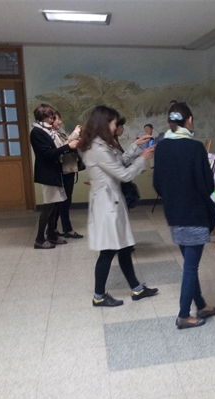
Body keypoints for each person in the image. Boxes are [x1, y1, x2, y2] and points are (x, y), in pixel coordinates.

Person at [78, 105, 158, 307]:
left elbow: (119, 161)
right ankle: (99, 296)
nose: (116, 127)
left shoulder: (101, 144)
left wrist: (136, 146)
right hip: (107, 205)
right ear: (105, 123)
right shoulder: (97, 149)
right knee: (108, 251)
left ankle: (137, 288)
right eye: (114, 123)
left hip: (111, 200)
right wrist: (142, 159)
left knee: (124, 247)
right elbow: (124, 174)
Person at [153, 102, 215, 329]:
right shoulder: (195, 148)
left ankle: (201, 304)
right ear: (189, 120)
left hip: (174, 214)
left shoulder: (161, 147)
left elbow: (157, 184)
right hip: (195, 215)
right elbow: (208, 185)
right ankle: (183, 315)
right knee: (191, 267)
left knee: (190, 262)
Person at [30, 104, 77, 249]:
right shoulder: (37, 132)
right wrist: (68, 147)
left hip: (55, 172)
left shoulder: (49, 132)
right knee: (48, 207)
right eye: (50, 117)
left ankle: (51, 235)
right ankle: (39, 239)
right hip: (48, 173)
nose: (53, 119)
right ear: (43, 117)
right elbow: (47, 154)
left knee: (55, 205)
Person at [52, 111, 83, 239]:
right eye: (57, 119)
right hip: (62, 171)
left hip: (68, 169)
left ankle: (56, 228)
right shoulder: (51, 135)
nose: (60, 122)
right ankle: (66, 229)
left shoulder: (59, 133)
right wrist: (75, 134)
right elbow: (62, 148)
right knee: (63, 201)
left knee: (64, 201)